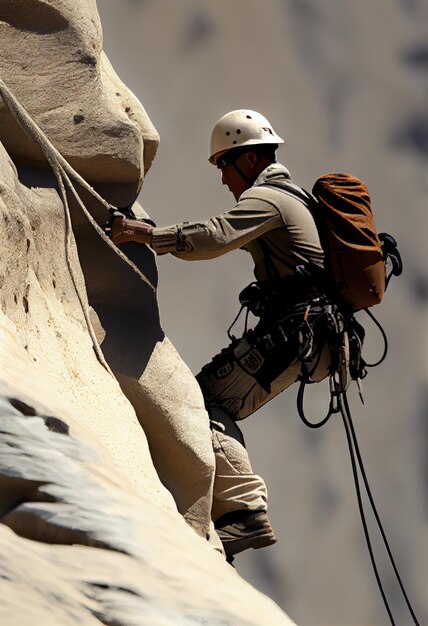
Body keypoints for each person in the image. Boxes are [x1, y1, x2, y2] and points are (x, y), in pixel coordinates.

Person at [111, 110, 332, 560]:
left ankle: (246, 512)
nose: (223, 179)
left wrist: (148, 235)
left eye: (224, 165)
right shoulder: (294, 198)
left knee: (201, 402)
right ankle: (238, 508)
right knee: (212, 401)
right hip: (311, 333)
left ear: (248, 160)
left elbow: (214, 236)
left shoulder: (270, 199)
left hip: (297, 330)